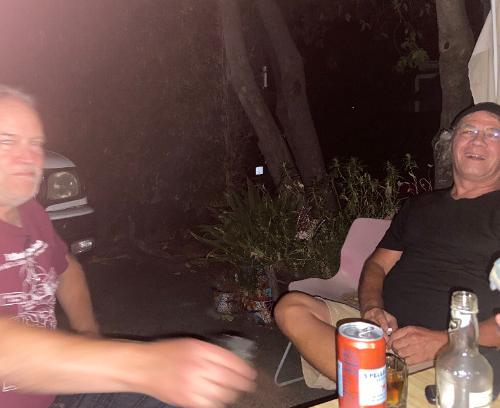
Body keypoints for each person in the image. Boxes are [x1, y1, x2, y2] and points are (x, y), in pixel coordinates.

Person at [0, 85, 256, 408]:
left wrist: (91, 338)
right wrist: (140, 366)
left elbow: (66, 268)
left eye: (35, 143)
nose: (28, 157)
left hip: (54, 393)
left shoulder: (31, 211)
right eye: (6, 141)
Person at [274, 101, 500, 391]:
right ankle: (379, 386)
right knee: (291, 308)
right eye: (468, 131)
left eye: (493, 134)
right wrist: (371, 309)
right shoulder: (420, 206)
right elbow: (378, 264)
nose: (478, 140)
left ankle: (375, 388)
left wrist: (444, 341)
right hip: (385, 332)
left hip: (456, 350)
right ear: (451, 142)